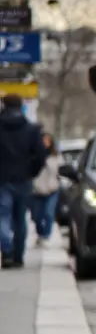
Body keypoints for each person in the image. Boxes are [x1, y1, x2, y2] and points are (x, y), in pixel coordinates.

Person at [0, 94, 47, 268]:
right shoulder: (31, 129)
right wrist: (31, 171)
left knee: (2, 216)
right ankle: (18, 255)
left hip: (2, 179)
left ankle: (7, 249)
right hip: (23, 179)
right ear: (20, 106)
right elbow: (41, 155)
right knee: (20, 218)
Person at [29, 132, 63, 248]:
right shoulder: (33, 155)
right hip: (37, 190)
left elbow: (60, 171)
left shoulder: (56, 157)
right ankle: (40, 233)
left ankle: (46, 236)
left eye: (47, 141)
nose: (45, 143)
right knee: (37, 216)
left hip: (52, 189)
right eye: (43, 141)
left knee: (48, 213)